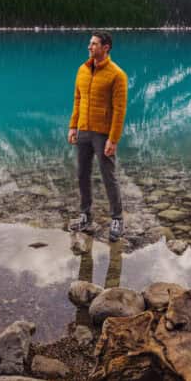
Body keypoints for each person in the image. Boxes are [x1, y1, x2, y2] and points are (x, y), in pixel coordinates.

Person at [67, 31, 128, 241]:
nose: (89, 47)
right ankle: (85, 216)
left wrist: (113, 139)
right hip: (83, 130)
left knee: (108, 176)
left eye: (94, 44)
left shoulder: (117, 75)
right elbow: (77, 99)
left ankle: (117, 219)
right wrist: (73, 126)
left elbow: (119, 110)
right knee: (82, 174)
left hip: (103, 134)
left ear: (106, 47)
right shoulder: (82, 70)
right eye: (90, 43)